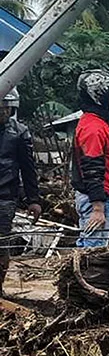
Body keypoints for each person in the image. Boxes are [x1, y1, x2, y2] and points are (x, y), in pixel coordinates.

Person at [72, 69, 109, 248]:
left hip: (101, 198)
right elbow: (92, 168)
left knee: (94, 247)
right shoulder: (94, 128)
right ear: (99, 96)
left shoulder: (98, 124)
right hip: (97, 200)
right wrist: (98, 208)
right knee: (94, 251)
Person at [0, 87, 41, 295]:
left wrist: (33, 199)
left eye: (7, 108)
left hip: (5, 196)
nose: (3, 112)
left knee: (1, 243)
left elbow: (28, 168)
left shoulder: (19, 132)